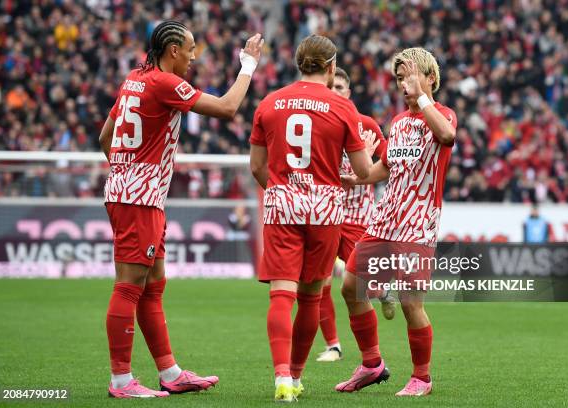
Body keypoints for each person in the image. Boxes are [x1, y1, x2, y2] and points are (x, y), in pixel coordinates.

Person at [98, 20, 263, 398]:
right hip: (138, 199)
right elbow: (226, 107)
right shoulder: (163, 82)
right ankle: (121, 381)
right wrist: (248, 65)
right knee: (129, 288)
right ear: (173, 50)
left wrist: (125, 172)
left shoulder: (133, 80)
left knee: (153, 287)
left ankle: (170, 372)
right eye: (190, 50)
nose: (193, 57)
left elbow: (105, 137)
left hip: (137, 195)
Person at [249, 34, 373, 402]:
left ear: (298, 64)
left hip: (282, 205)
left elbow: (257, 166)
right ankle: (298, 375)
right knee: (310, 296)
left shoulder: (269, 103)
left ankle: (282, 378)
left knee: (280, 295)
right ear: (332, 66)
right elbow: (364, 170)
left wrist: (281, 189)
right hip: (325, 209)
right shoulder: (343, 107)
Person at [338, 47, 457, 397]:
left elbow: (447, 137)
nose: (403, 84)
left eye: (410, 76)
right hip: (385, 218)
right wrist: (356, 179)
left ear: (430, 78)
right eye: (400, 78)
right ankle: (372, 364)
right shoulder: (399, 122)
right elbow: (383, 169)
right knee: (350, 287)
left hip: (418, 223)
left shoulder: (444, 114)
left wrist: (422, 101)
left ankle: (422, 377)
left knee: (409, 302)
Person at [315, 67, 393, 364]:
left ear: (348, 93)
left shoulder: (365, 125)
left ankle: (383, 290)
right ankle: (333, 346)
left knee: (363, 285)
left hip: (358, 217)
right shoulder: (316, 123)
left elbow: (389, 161)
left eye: (339, 87)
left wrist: (367, 165)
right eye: (330, 86)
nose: (334, 91)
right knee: (319, 282)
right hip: (323, 213)